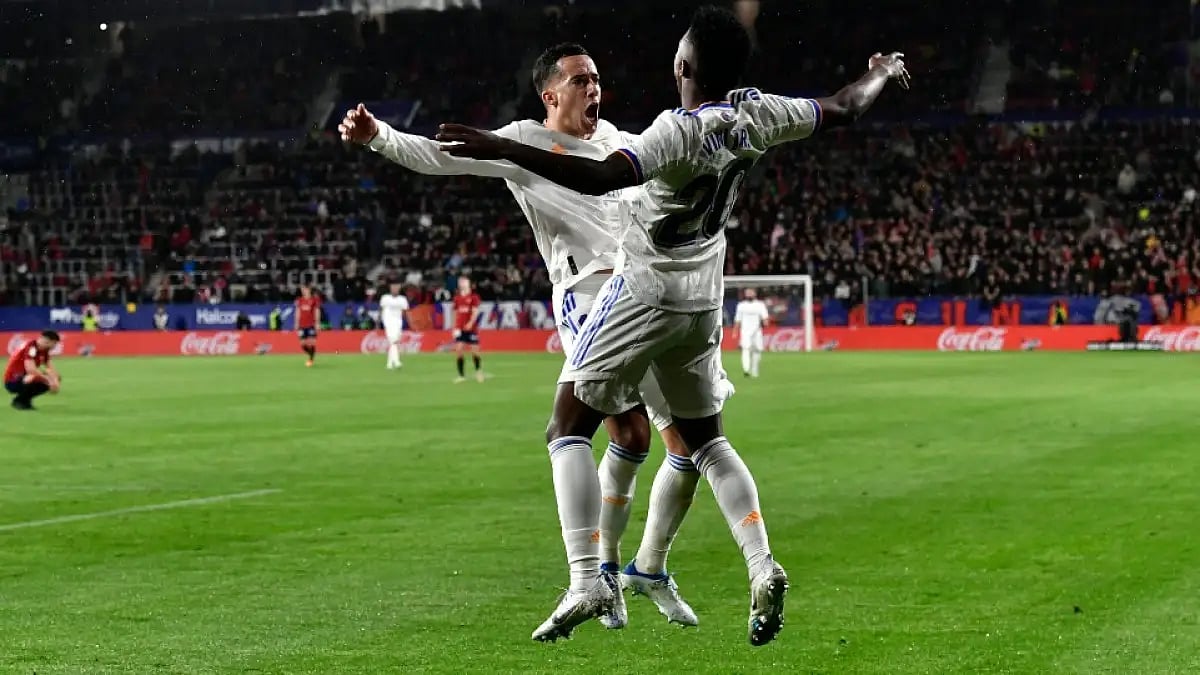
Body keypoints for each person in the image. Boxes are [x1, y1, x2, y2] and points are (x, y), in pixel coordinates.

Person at [437, 5, 908, 645]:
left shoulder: (672, 133)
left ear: (683, 66)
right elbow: (848, 105)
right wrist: (879, 70)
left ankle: (587, 578)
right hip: (703, 296)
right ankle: (760, 563)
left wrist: (502, 146)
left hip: (644, 288)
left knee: (567, 424)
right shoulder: (761, 113)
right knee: (706, 440)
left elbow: (604, 176)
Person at [340, 43, 720, 633]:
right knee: (609, 430)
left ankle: (633, 573)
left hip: (644, 293)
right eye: (580, 79)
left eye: (597, 77)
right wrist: (377, 136)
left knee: (662, 443)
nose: (594, 86)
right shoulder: (523, 142)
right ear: (551, 95)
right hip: (588, 298)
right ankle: (596, 578)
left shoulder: (617, 138)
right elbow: (443, 155)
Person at [5, 330, 62, 411]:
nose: (55, 346)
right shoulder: (31, 348)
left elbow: (50, 368)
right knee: (34, 377)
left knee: (52, 377)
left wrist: (55, 381)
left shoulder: (44, 350)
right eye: (55, 343)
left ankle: (25, 401)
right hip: (13, 380)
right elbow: (31, 370)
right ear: (49, 341)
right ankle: (19, 401)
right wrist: (49, 380)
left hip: (23, 377)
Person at [451, 278, 484, 383]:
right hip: (460, 328)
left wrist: (470, 323)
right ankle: (461, 376)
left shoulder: (474, 297)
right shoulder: (457, 298)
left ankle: (478, 371)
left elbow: (475, 312)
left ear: (469, 284)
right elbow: (455, 313)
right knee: (459, 351)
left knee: (475, 352)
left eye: (464, 282)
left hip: (471, 329)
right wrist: (454, 327)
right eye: (460, 282)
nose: (462, 283)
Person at [733, 288, 769, 377]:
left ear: (754, 294)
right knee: (745, 349)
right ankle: (746, 370)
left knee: (757, 350)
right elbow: (738, 319)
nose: (749, 295)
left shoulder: (760, 305)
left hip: (757, 332)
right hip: (745, 332)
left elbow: (765, 317)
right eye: (747, 293)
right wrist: (735, 331)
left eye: (750, 293)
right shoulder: (741, 305)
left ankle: (754, 369)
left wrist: (765, 322)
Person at [380, 281, 410, 370]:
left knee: (394, 342)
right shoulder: (385, 298)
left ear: (399, 288)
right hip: (388, 322)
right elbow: (382, 309)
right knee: (393, 341)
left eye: (396, 288)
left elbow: (405, 311)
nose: (395, 289)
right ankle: (397, 362)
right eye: (393, 287)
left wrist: (405, 322)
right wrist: (382, 321)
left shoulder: (402, 299)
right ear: (390, 288)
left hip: (398, 322)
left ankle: (389, 364)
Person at [294, 285, 321, 367]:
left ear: (308, 290)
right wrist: (296, 323)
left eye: (304, 289)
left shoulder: (314, 300)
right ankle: (311, 355)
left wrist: (317, 323)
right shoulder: (299, 300)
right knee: (303, 344)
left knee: (312, 342)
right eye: (302, 289)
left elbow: (317, 311)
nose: (303, 291)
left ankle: (310, 359)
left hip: (311, 324)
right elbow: (297, 311)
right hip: (302, 325)